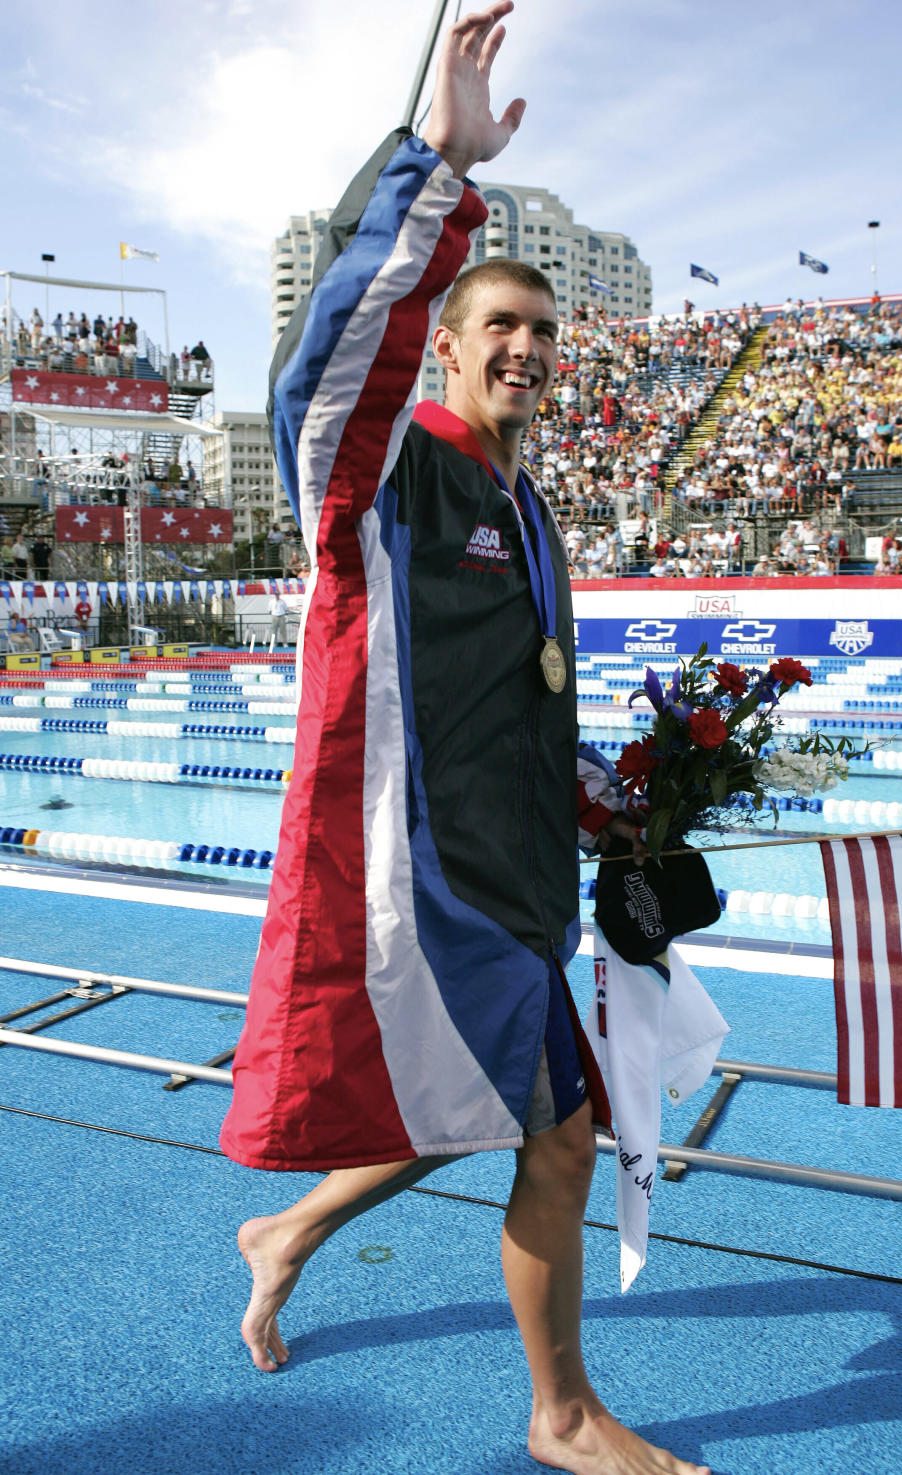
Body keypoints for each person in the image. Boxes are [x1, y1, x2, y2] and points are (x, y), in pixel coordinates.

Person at [219, 9, 707, 1475]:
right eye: (502, 323)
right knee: (549, 1131)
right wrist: (439, 163)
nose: (531, 348)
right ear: (444, 340)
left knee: (478, 1100)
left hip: (514, 868)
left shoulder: (525, 503)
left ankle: (287, 1227)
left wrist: (612, 803)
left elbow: (521, 689)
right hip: (422, 876)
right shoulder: (390, 479)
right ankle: (561, 1418)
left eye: (548, 331)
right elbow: (321, 379)